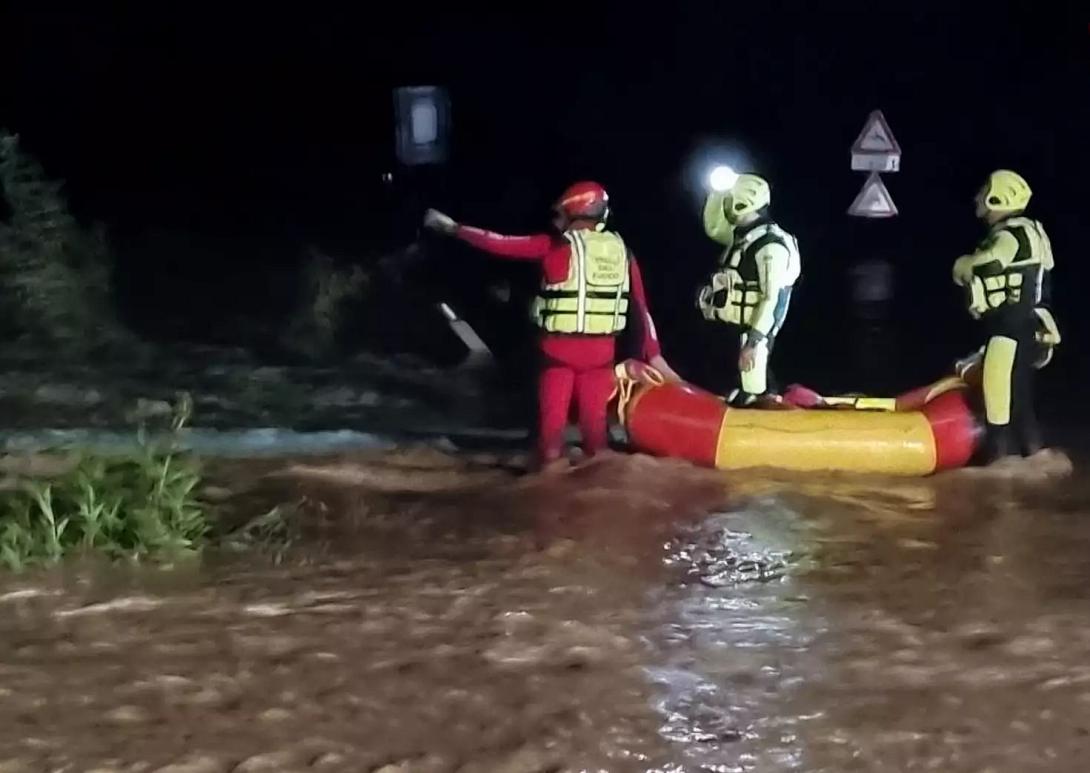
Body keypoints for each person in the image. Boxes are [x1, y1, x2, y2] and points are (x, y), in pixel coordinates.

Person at [423, 181, 678, 469]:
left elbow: (499, 243)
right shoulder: (623, 252)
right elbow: (641, 309)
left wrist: (455, 228)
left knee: (550, 439)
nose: (557, 222)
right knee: (596, 438)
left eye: (560, 216)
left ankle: (548, 489)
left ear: (573, 213)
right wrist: (655, 356)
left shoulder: (554, 245)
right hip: (600, 356)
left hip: (558, 355)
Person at [952, 169, 1055, 462]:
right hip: (1028, 328)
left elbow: (989, 264)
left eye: (984, 192)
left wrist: (963, 265)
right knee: (1020, 401)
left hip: (1009, 329)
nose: (978, 198)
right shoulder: (1032, 231)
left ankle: (997, 470)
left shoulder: (1011, 235)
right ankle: (1036, 460)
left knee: (997, 399)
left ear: (999, 197)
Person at [697, 174, 801, 406]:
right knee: (735, 392)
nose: (726, 205)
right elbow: (714, 228)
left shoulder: (770, 245)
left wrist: (754, 342)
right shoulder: (743, 236)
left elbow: (771, 297)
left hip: (753, 333)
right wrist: (715, 195)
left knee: (753, 391)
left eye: (729, 199)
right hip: (732, 330)